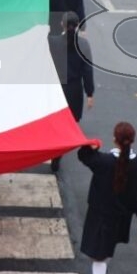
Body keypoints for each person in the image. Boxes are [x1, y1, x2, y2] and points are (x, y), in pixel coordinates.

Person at [77, 122, 137, 274]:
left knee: (98, 257)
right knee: (107, 251)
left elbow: (84, 156)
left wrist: (91, 146)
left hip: (100, 214)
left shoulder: (103, 162)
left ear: (114, 139)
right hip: (121, 218)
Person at [48, 12, 95, 172]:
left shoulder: (53, 42)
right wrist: (90, 93)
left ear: (62, 24)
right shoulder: (84, 45)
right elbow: (88, 71)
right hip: (74, 90)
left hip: (56, 89)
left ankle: (53, 150)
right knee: (67, 124)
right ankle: (58, 154)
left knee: (54, 122)